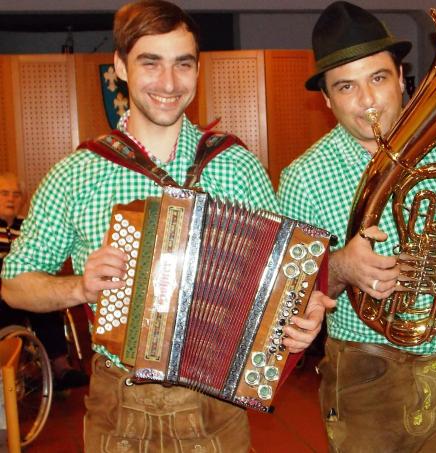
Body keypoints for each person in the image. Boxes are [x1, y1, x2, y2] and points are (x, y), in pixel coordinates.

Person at [0, 1, 333, 451]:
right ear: (120, 67)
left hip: (217, 407)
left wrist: (304, 314)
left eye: (183, 64)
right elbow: (14, 284)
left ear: (197, 69)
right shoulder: (77, 173)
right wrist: (80, 287)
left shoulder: (235, 165)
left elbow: (283, 279)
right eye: (150, 63)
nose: (170, 83)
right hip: (120, 408)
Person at [278, 2, 436, 451]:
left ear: (401, 78)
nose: (367, 100)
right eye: (346, 86)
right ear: (326, 99)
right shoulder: (303, 176)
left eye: (378, 78)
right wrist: (341, 266)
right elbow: (290, 294)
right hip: (365, 376)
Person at [0, 172, 89, 390]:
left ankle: (60, 367)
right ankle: (17, 367)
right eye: (4, 193)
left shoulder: (29, 227)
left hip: (25, 291)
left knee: (45, 301)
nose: (11, 199)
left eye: (16, 194)